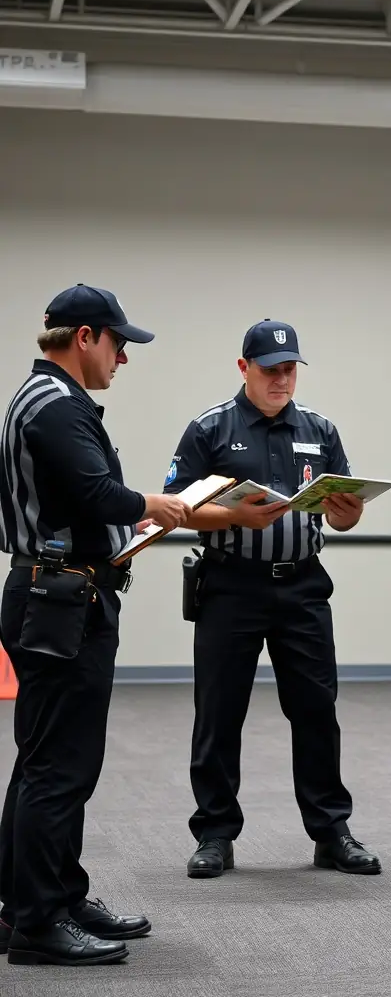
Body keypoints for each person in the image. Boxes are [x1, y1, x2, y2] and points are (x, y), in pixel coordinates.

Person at [0, 284, 190, 967]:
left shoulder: (44, 397)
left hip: (54, 590)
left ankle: (33, 899)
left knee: (45, 761)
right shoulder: (55, 406)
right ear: (84, 337)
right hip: (61, 599)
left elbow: (82, 500)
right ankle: (40, 922)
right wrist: (157, 504)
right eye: (119, 344)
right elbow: (95, 493)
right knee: (60, 766)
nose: (123, 358)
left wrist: (130, 516)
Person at [164, 319, 381, 879]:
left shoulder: (320, 428)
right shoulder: (210, 428)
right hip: (231, 585)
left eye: (290, 370)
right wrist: (233, 514)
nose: (282, 380)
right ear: (244, 368)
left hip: (303, 585)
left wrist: (348, 511)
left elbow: (348, 511)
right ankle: (214, 833)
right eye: (270, 370)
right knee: (219, 712)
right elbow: (175, 508)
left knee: (315, 710)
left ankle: (331, 831)